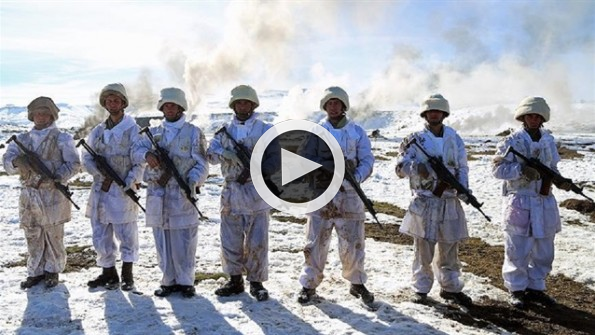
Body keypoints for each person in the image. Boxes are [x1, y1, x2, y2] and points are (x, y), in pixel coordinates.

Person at [296, 86, 376, 305]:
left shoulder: (357, 131)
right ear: (325, 106)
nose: (333, 107)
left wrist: (356, 176)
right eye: (329, 103)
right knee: (315, 242)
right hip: (321, 194)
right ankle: (308, 284)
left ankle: (357, 282)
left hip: (350, 195)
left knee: (353, 242)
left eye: (337, 103)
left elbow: (367, 159)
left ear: (343, 106)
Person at [395, 93, 473, 306]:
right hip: (426, 201)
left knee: (449, 248)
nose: (434, 114)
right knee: (423, 249)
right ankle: (421, 289)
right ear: (425, 114)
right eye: (430, 111)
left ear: (444, 114)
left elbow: (462, 166)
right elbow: (399, 168)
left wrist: (463, 188)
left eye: (438, 111)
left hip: (449, 201)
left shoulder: (454, 138)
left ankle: (450, 287)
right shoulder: (414, 139)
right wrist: (418, 168)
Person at [492, 96, 570, 308]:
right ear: (523, 117)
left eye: (537, 116)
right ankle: (516, 289)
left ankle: (536, 287)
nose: (534, 119)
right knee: (517, 248)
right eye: (530, 116)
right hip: (520, 199)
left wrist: (560, 180)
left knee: (545, 249)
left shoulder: (548, 141)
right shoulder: (510, 142)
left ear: (543, 119)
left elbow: (552, 167)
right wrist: (520, 170)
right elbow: (497, 170)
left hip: (544, 201)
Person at [133, 87, 209, 298]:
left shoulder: (193, 132)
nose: (169, 108)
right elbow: (135, 150)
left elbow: (201, 162)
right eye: (166, 105)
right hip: (158, 191)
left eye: (173, 105)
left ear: (180, 107)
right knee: (162, 238)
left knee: (184, 238)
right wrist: (147, 154)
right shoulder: (154, 132)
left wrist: (192, 182)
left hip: (182, 192)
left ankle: (186, 282)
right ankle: (168, 281)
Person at [207, 85, 279, 302]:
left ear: (253, 105)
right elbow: (210, 155)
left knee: (258, 239)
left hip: (257, 190)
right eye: (238, 102)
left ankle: (256, 282)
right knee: (230, 238)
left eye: (246, 102)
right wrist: (225, 153)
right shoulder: (223, 131)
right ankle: (235, 279)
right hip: (231, 190)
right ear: (233, 105)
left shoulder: (265, 129)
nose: (242, 106)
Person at [2, 96, 81, 289]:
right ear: (31, 115)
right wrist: (17, 162)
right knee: (32, 234)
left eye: (45, 113)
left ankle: (52, 271)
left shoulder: (63, 139)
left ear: (52, 115)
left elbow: (74, 164)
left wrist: (57, 177)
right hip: (30, 194)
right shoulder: (22, 140)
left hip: (53, 193)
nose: (41, 117)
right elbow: (7, 161)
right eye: (37, 113)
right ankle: (35, 272)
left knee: (53, 234)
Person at [82, 83, 144, 291]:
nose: (112, 104)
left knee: (126, 231)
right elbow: (87, 157)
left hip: (123, 189)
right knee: (100, 231)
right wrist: (99, 173)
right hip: (101, 188)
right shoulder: (98, 131)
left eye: (116, 100)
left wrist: (130, 181)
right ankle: (108, 272)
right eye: (108, 101)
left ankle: (127, 274)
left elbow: (139, 161)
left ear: (123, 103)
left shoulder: (133, 130)